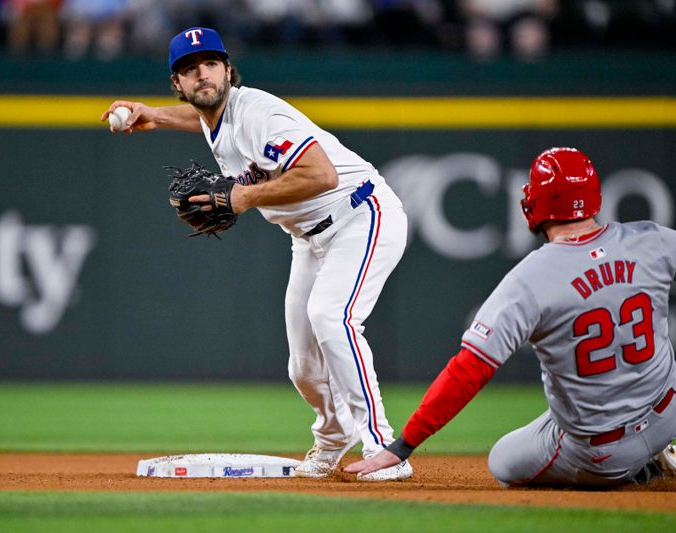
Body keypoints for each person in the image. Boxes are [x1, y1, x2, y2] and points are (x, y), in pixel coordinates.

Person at [101, 26, 413, 481]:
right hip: (308, 238)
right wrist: (156, 116)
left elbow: (322, 176)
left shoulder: (258, 113)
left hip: (360, 214)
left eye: (210, 64)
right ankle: (332, 441)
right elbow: (204, 120)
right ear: (179, 85)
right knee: (303, 365)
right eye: (189, 70)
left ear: (228, 70)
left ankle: (386, 447)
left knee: (333, 318)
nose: (202, 75)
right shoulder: (216, 116)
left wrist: (244, 198)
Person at [346, 147, 676, 487]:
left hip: (604, 454)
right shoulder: (653, 240)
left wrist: (402, 446)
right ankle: (660, 453)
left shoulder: (530, 279)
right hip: (668, 416)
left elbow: (469, 369)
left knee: (502, 460)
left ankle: (639, 471)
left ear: (538, 202)